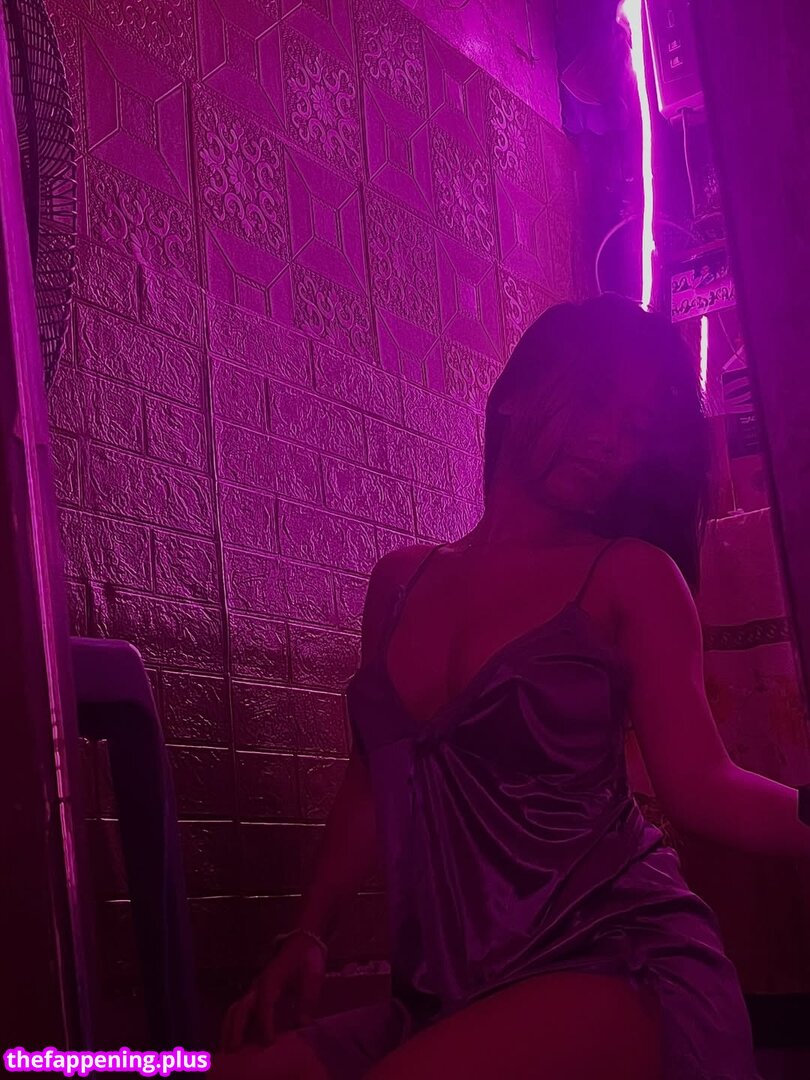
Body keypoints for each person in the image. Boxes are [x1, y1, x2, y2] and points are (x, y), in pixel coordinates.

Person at [214, 295, 810, 1079]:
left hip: (614, 959)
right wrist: (309, 934)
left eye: (635, 427)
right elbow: (373, 774)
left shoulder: (630, 576)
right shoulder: (398, 582)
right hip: (448, 989)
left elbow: (705, 785)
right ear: (518, 390)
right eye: (595, 400)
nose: (612, 440)